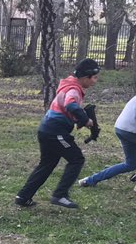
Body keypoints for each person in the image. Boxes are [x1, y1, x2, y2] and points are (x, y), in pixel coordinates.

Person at [14, 58, 100, 209]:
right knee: (76, 159)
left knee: (47, 163)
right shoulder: (73, 89)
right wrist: (85, 120)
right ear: (85, 76)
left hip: (46, 129)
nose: (95, 81)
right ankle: (60, 195)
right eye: (94, 77)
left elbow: (67, 109)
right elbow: (70, 104)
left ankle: (23, 197)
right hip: (55, 132)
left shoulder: (69, 84)